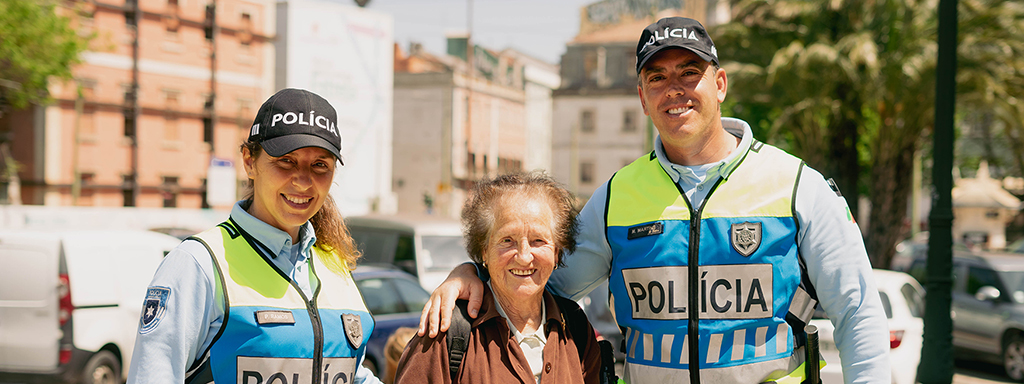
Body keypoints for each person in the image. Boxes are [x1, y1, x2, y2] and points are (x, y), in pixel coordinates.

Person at [418, 17, 891, 384]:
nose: (675, 89)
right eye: (658, 78)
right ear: (643, 98)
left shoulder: (796, 186)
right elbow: (544, 280)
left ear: (720, 84)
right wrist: (472, 273)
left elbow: (857, 310)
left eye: (691, 72)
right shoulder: (616, 196)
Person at [127, 88, 383, 384]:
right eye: (286, 161)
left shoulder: (334, 264)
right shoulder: (199, 263)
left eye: (319, 165)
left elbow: (355, 375)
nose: (303, 180)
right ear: (249, 161)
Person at [395, 172, 602, 384]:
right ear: (484, 250)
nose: (523, 256)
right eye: (507, 240)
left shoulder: (576, 328)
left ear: (557, 251)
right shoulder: (445, 331)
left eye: (538, 240)